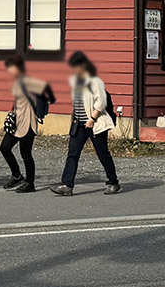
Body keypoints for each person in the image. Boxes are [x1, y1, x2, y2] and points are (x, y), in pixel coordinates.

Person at [51, 51, 120, 196]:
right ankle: (67, 185)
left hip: (95, 124)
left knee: (102, 154)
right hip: (79, 124)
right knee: (72, 154)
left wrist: (92, 119)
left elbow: (101, 102)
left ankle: (113, 182)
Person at [0, 55, 56, 194]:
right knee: (4, 148)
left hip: (28, 123)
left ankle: (30, 183)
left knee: (26, 154)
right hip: (17, 123)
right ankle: (17, 176)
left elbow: (45, 90)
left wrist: (40, 114)